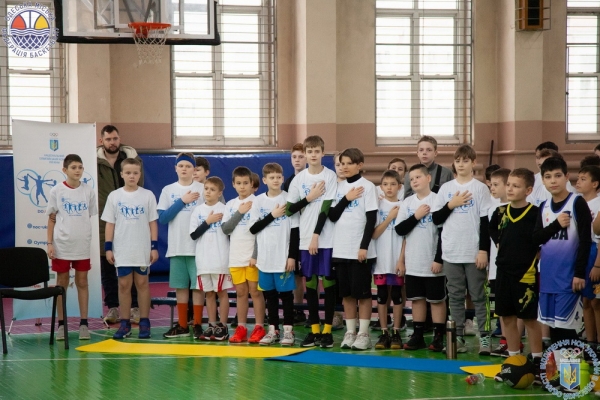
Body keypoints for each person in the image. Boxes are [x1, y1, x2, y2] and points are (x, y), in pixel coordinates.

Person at [432, 144, 492, 355]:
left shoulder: (480, 188)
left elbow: (485, 222)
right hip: (451, 252)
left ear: (473, 163)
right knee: (455, 296)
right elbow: (436, 218)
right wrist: (452, 204)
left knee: (479, 296)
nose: (461, 164)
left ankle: (485, 336)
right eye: (458, 161)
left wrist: (483, 250)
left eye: (465, 160)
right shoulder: (446, 189)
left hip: (473, 252)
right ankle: (457, 337)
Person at [489, 168, 543, 384]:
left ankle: (537, 363)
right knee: (507, 317)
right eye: (508, 184)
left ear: (528, 190)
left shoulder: (536, 213)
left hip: (525, 275)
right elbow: (494, 233)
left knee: (529, 318)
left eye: (516, 186)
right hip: (503, 272)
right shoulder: (499, 212)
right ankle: (513, 361)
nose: (510, 189)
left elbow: (541, 241)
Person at [533, 157, 592, 346]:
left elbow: (585, 241)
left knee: (566, 330)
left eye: (558, 175)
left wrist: (579, 273)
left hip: (568, 278)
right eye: (548, 176)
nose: (553, 180)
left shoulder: (577, 203)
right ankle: (559, 364)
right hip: (548, 278)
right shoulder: (543, 207)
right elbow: (536, 238)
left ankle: (571, 366)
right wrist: (555, 225)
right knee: (554, 330)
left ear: (567, 177)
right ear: (542, 180)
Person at [286, 135, 338, 348]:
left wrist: (316, 235)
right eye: (310, 151)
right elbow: (289, 209)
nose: (313, 155)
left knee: (328, 282)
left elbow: (326, 208)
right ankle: (314, 329)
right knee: (310, 283)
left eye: (317, 151)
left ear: (323, 153)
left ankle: (327, 331)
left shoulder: (330, 176)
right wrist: (310, 197)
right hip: (305, 240)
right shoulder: (298, 180)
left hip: (326, 238)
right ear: (305, 154)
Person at [101, 158, 157, 339]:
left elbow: (152, 222)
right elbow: (110, 223)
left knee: (142, 284)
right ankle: (124, 324)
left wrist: (154, 246)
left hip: (141, 248)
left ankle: (144, 322)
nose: (132, 176)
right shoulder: (114, 196)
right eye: (128, 173)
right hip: (122, 248)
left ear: (140, 175)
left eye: (135, 173)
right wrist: (108, 248)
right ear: (122, 174)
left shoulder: (147, 195)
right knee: (124, 285)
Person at [328, 148, 378, 351]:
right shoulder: (338, 187)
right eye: (342, 163)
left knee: (363, 294)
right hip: (341, 249)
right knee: (347, 294)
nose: (345, 167)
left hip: (360, 250)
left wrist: (364, 246)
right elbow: (332, 215)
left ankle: (363, 333)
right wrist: (346, 198)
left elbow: (371, 219)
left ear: (360, 165)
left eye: (350, 163)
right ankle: (350, 332)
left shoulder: (368, 187)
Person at [46, 154, 97, 340]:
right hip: (62, 245)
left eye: (80, 167)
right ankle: (61, 324)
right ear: (65, 170)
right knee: (62, 283)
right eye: (74, 167)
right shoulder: (56, 191)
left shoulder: (88, 191)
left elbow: (88, 216)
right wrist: (49, 243)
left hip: (82, 245)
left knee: (82, 282)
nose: (77, 170)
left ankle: (84, 324)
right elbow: (51, 219)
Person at [395, 164, 446, 352]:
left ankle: (439, 335)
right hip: (414, 260)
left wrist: (438, 259)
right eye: (412, 178)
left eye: (418, 177)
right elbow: (400, 229)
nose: (414, 181)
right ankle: (418, 335)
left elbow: (443, 232)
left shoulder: (438, 200)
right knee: (417, 299)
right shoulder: (407, 203)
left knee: (436, 300)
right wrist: (416, 216)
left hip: (432, 261)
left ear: (428, 178)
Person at [97, 125, 143, 325]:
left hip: (131, 219)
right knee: (107, 266)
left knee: (132, 266)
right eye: (108, 139)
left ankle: (135, 307)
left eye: (115, 138)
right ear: (101, 141)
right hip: (104, 220)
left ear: (119, 138)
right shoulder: (94, 162)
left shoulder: (132, 159)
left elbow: (140, 187)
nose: (112, 142)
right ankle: (113, 307)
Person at [249, 163, 299, 346]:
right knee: (269, 296)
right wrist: (273, 215)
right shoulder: (258, 201)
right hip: (265, 259)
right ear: (264, 180)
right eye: (272, 177)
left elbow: (295, 231)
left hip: (283, 258)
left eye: (278, 177)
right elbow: (253, 228)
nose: (275, 180)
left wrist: (292, 256)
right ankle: (273, 330)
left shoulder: (289, 199)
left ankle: (288, 331)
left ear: (282, 178)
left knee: (286, 296)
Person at [158, 153, 206, 339]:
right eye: (181, 165)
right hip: (177, 246)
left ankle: (198, 324)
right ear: (175, 168)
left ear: (194, 169)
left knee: (198, 287)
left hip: (198, 247)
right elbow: (163, 218)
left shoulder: (203, 189)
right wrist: (182, 201)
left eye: (188, 166)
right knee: (181, 287)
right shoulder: (168, 190)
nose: (184, 169)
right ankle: (183, 325)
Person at [222, 166, 266, 344]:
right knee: (241, 292)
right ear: (233, 184)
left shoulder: (258, 202)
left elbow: (260, 231)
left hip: (252, 257)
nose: (242, 186)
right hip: (236, 256)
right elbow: (226, 229)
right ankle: (241, 327)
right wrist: (240, 213)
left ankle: (259, 326)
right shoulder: (231, 205)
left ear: (251, 183)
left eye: (245, 183)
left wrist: (255, 255)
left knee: (255, 291)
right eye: (238, 183)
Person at [189, 177, 231, 341]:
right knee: (209, 294)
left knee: (221, 292)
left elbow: (229, 232)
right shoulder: (198, 211)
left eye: (212, 189)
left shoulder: (225, 209)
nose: (208, 192)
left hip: (220, 259)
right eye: (206, 188)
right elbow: (193, 235)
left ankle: (223, 326)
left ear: (220, 193)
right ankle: (212, 324)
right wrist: (208, 222)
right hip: (203, 260)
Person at [371, 170, 403, 349]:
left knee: (397, 296)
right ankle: (384, 332)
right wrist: (389, 218)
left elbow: (406, 236)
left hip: (397, 259)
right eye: (385, 184)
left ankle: (396, 332)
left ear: (399, 186)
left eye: (393, 184)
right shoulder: (378, 205)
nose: (389, 188)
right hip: (381, 260)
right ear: (381, 187)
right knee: (382, 296)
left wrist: (402, 259)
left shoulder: (404, 205)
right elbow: (374, 234)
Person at [282, 143, 309, 327]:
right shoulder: (288, 182)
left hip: (310, 229)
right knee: (296, 273)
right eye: (294, 157)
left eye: (301, 156)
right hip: (294, 229)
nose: (297, 160)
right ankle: (297, 309)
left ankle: (309, 310)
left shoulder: (312, 179)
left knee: (311, 274)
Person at [575, 165, 600, 353]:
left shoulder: (598, 204)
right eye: (578, 178)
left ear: (595, 183)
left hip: (595, 252)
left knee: (596, 301)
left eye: (583, 179)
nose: (578, 182)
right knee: (586, 299)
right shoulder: (577, 202)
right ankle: (590, 342)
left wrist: (597, 264)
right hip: (582, 252)